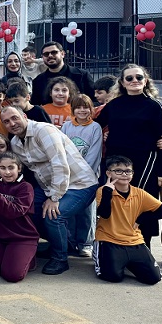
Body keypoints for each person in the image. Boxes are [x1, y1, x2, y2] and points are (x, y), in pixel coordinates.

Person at [0, 106, 98, 275]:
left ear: (24, 116)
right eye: (7, 122)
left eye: (15, 118)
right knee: (30, 211)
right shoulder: (15, 143)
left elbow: (59, 164)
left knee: (54, 216)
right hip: (49, 186)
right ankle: (61, 244)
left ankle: (60, 259)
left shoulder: (44, 130)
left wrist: (54, 198)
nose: (12, 123)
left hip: (80, 184)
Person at [95, 64, 162, 248]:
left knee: (140, 202)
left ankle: (143, 246)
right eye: (129, 78)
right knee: (115, 201)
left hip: (144, 163)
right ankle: (116, 244)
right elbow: (94, 125)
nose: (134, 81)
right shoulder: (113, 105)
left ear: (146, 81)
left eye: (139, 77)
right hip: (115, 161)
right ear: (122, 82)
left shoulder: (154, 106)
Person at [94, 156, 162, 285]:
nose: (124, 174)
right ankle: (109, 258)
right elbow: (104, 214)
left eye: (128, 171)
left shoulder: (139, 193)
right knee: (113, 276)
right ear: (108, 173)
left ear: (132, 174)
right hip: (109, 240)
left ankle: (126, 262)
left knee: (153, 278)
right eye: (118, 171)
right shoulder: (103, 191)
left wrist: (141, 218)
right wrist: (107, 193)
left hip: (134, 241)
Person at [0, 151, 39, 282]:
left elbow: (15, 211)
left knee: (12, 275)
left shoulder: (26, 187)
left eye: (11, 167)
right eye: (3, 168)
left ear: (19, 168)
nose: (7, 172)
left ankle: (29, 258)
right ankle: (6, 255)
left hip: (21, 237)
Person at [61, 94, 102, 258]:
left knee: (87, 211)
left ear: (91, 109)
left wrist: (84, 174)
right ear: (73, 109)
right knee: (70, 210)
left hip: (88, 177)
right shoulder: (66, 126)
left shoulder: (95, 127)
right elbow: (62, 149)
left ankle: (86, 243)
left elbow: (94, 154)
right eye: (78, 107)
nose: (82, 110)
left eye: (85, 107)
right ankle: (70, 242)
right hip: (69, 176)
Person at [30, 41, 95, 105]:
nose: (50, 56)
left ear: (62, 54)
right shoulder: (38, 81)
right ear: (43, 57)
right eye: (46, 54)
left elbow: (95, 101)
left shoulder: (82, 75)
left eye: (54, 52)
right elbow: (35, 105)